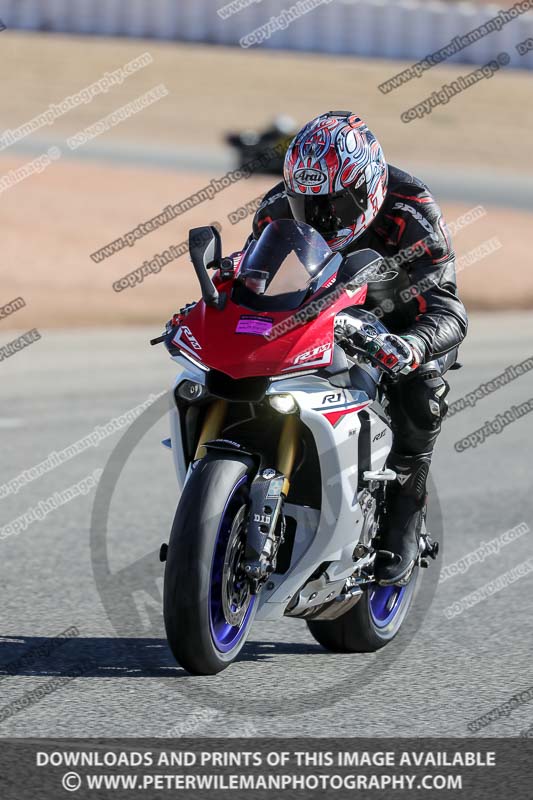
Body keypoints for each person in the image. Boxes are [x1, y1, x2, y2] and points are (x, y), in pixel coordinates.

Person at [247, 110, 468, 585]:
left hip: (400, 320)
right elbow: (255, 281)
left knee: (424, 393)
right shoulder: (276, 207)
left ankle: (406, 511)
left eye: (332, 206)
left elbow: (449, 310)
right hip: (318, 311)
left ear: (367, 190)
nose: (319, 218)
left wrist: (412, 345)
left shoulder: (412, 210)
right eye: (307, 205)